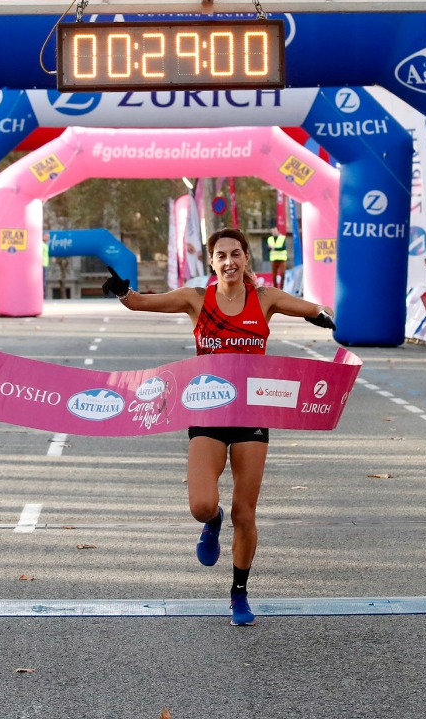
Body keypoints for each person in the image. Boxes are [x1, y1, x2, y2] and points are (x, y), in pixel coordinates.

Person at [106, 227, 334, 627]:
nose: (229, 262)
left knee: (245, 514)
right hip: (207, 411)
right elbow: (140, 302)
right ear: (211, 262)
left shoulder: (266, 299)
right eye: (221, 256)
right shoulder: (197, 298)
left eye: (236, 254)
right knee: (202, 505)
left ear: (247, 258)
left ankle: (239, 594)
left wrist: (331, 323)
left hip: (252, 415)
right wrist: (123, 291)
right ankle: (212, 524)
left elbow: (314, 310)